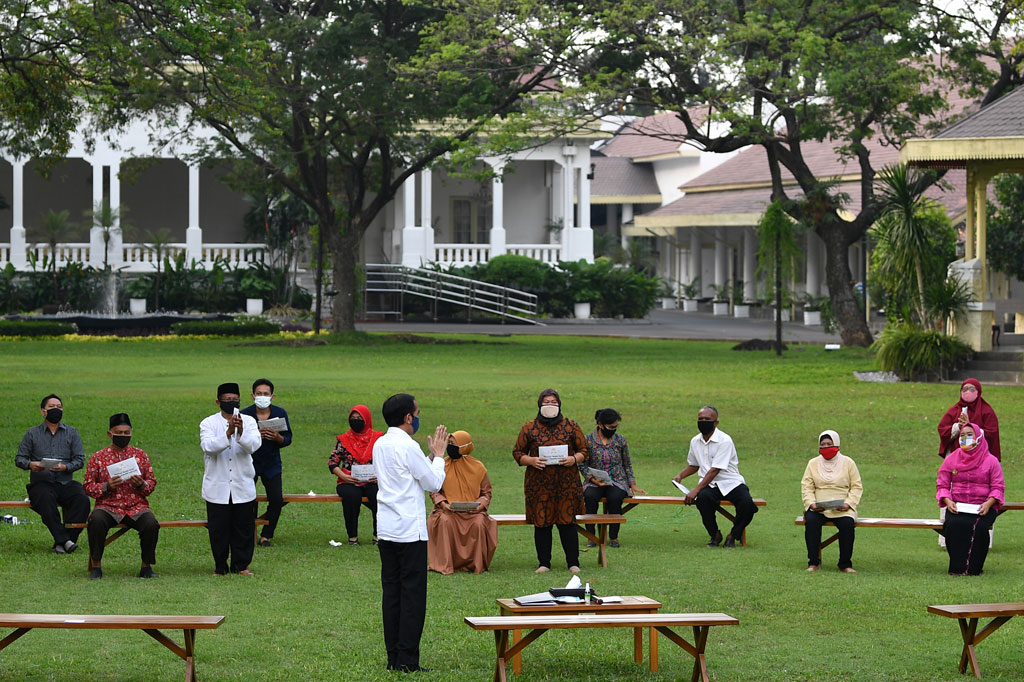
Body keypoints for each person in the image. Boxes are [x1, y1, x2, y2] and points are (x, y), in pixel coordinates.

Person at [374, 393, 447, 673]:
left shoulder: (380, 444)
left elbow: (406, 473)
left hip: (387, 529)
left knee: (391, 594)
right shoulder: (408, 445)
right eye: (417, 413)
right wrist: (438, 457)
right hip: (410, 533)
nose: (418, 417)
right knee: (413, 597)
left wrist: (427, 456)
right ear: (408, 417)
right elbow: (432, 481)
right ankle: (408, 660)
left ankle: (393, 656)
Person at [513, 388, 587, 574]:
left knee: (567, 523)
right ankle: (544, 563)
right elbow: (517, 452)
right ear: (539, 405)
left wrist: (574, 459)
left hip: (566, 483)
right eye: (546, 402)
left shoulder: (571, 426)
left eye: (553, 402)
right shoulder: (529, 428)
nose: (550, 405)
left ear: (560, 404)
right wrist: (531, 460)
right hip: (539, 485)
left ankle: (573, 563)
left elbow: (585, 451)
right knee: (542, 523)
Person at [83, 413, 159, 579]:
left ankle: (146, 566)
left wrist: (141, 485)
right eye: (119, 432)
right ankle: (96, 565)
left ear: (131, 433)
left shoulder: (140, 455)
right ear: (110, 434)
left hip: (136, 507)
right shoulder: (98, 457)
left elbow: (151, 483)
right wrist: (106, 486)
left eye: (126, 433)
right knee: (96, 521)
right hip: (108, 506)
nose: (123, 436)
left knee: (151, 524)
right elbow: (88, 487)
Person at [14, 394, 90, 554]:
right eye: (52, 407)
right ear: (43, 412)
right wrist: (31, 464)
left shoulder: (72, 433)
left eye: (59, 407)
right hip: (41, 483)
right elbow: (20, 458)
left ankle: (64, 541)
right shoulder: (32, 433)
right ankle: (64, 541)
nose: (56, 410)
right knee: (46, 499)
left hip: (65, 482)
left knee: (82, 499)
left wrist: (65, 467)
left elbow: (80, 459)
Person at [673, 405, 758, 548]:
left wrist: (696, 489)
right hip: (710, 485)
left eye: (707, 419)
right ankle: (715, 535)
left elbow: (715, 470)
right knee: (703, 500)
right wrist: (680, 475)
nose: (703, 422)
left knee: (747, 504)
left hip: (731, 482)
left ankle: (733, 535)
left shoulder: (725, 440)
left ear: (716, 423)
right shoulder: (695, 441)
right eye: (700, 419)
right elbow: (694, 464)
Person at [200, 382, 262, 576]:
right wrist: (228, 433)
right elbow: (208, 447)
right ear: (218, 402)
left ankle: (241, 565)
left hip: (242, 484)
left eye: (235, 400)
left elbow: (254, 446)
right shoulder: (208, 423)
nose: (231, 403)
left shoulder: (249, 421)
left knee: (243, 528)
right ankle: (220, 566)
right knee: (219, 530)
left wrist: (240, 432)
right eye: (227, 400)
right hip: (217, 486)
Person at [937, 423, 1004, 576]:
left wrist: (988, 503)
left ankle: (974, 569)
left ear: (979, 437)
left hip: (984, 505)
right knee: (953, 525)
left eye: (969, 435)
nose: (964, 438)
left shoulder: (991, 461)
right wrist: (948, 501)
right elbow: (942, 484)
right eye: (962, 435)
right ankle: (957, 568)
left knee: (979, 528)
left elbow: (998, 487)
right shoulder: (952, 458)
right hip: (958, 505)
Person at [427, 430, 498, 575]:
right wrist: (443, 504)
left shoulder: (478, 467)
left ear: (464, 447)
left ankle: (476, 564)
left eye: (454, 444)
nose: (450, 447)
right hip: (447, 511)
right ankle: (446, 564)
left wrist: (479, 506)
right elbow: (434, 490)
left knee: (479, 522)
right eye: (449, 444)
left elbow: (486, 493)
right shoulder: (441, 465)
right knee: (445, 521)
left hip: (473, 513)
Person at [582, 408, 645, 548]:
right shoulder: (587, 440)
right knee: (590, 497)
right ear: (600, 424)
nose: (613, 430)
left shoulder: (620, 440)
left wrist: (633, 484)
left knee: (616, 498)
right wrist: (591, 479)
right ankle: (591, 537)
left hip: (617, 480)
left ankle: (613, 537)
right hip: (594, 481)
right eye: (610, 427)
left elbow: (627, 463)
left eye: (615, 427)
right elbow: (582, 464)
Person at [801, 430, 863, 573]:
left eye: (830, 444)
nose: (826, 447)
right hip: (819, 507)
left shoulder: (848, 463)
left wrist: (848, 504)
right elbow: (807, 486)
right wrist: (812, 504)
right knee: (811, 521)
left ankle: (845, 564)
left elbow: (857, 486)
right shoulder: (812, 463)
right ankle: (814, 562)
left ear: (837, 444)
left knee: (847, 524)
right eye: (823, 444)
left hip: (842, 508)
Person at [241, 378, 292, 547]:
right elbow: (238, 438)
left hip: (272, 463)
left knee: (276, 499)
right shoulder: (245, 414)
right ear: (252, 395)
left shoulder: (280, 412)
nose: (262, 397)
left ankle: (266, 535)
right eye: (259, 394)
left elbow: (288, 438)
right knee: (247, 498)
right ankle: (247, 531)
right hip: (250, 462)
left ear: (272, 397)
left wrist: (278, 438)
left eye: (266, 394)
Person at [329, 404, 383, 545]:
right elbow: (332, 462)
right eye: (353, 418)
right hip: (348, 481)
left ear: (367, 419)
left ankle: (379, 535)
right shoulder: (344, 439)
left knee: (378, 496)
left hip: (373, 481)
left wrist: (380, 477)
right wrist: (343, 476)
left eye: (359, 418)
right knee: (352, 497)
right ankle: (352, 537)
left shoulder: (378, 439)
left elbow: (387, 461)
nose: (356, 420)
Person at [938, 378, 1000, 459]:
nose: (968, 392)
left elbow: (992, 434)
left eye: (972, 389)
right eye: (965, 389)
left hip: (980, 457)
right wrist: (958, 427)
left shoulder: (986, 411)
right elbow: (943, 430)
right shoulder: (954, 410)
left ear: (978, 392)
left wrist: (971, 428)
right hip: (956, 456)